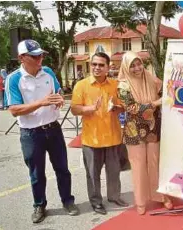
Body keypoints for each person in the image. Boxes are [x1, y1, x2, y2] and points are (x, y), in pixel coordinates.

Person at [4, 39, 79, 223]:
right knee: (37, 173)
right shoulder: (14, 79)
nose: (40, 59)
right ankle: (39, 205)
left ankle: (67, 201)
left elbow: (58, 89)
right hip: (31, 133)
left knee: (62, 168)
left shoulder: (48, 72)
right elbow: (14, 110)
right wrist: (42, 102)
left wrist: (59, 97)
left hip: (53, 129)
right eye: (35, 56)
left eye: (41, 55)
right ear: (21, 57)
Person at [71, 52, 129, 215]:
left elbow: (123, 106)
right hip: (91, 140)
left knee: (114, 172)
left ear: (108, 67)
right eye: (94, 64)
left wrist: (117, 108)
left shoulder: (115, 85)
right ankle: (96, 202)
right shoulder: (81, 85)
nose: (97, 68)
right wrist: (88, 109)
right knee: (92, 174)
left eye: (101, 65)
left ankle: (114, 196)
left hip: (113, 137)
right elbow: (74, 109)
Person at [118, 51, 173, 215]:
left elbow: (166, 90)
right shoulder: (122, 85)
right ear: (126, 68)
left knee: (155, 164)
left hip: (153, 127)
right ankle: (140, 201)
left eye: (139, 64)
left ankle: (161, 196)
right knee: (138, 166)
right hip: (134, 131)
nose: (137, 68)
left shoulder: (150, 77)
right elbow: (132, 108)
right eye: (132, 66)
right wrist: (156, 103)